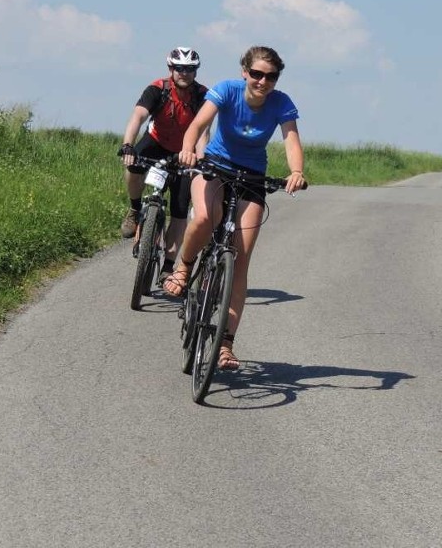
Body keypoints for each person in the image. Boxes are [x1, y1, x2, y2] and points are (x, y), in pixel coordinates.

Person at [162, 45, 306, 370]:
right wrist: (188, 150)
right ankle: (183, 267)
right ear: (245, 72)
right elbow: (199, 124)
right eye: (256, 74)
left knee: (240, 259)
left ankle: (225, 346)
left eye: (270, 76)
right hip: (215, 165)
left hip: (252, 176)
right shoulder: (227, 90)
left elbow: (291, 139)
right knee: (203, 217)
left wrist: (296, 172)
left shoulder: (281, 103)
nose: (262, 81)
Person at [119, 46, 209, 282]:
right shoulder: (157, 89)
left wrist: (200, 159)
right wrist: (128, 144)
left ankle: (168, 265)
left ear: (195, 71)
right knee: (133, 163)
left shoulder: (202, 95)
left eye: (190, 69)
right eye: (179, 68)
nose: (184, 73)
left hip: (185, 151)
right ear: (171, 68)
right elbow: (138, 116)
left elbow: (203, 132)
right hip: (157, 141)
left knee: (180, 210)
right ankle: (135, 208)